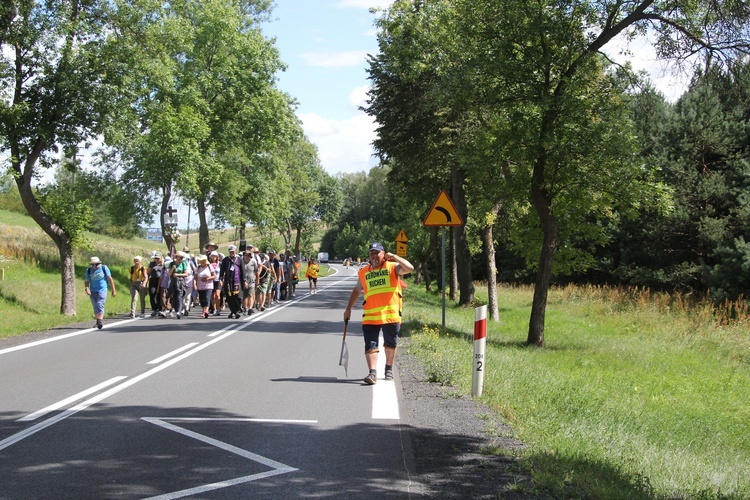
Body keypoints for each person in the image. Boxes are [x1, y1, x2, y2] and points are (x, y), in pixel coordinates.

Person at [344, 242, 414, 385]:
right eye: (372, 253)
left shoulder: (392, 268)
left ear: (384, 254)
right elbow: (357, 290)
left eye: (377, 253)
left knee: (390, 343)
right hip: (370, 315)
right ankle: (372, 373)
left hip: (390, 315)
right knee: (370, 345)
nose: (374, 256)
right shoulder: (364, 272)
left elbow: (410, 268)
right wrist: (348, 308)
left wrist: (394, 256)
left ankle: (388, 369)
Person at [84, 256, 116, 330]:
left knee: (99, 304)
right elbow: (87, 281)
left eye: (97, 264)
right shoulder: (89, 270)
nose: (95, 266)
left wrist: (113, 290)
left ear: (99, 263)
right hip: (93, 290)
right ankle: (98, 321)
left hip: (102, 290)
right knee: (95, 305)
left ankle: (99, 320)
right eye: (93, 264)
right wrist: (87, 288)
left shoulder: (104, 268)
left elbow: (110, 279)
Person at [219, 244, 245, 318]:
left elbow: (243, 271)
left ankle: (236, 310)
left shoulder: (239, 259)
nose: (232, 253)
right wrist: (221, 279)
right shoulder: (225, 260)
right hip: (228, 282)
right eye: (230, 252)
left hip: (237, 281)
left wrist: (244, 280)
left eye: (233, 251)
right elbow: (222, 271)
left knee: (238, 297)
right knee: (229, 297)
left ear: (235, 251)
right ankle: (233, 311)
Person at [194, 254, 216, 319]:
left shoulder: (209, 267)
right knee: (202, 299)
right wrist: (194, 284)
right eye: (201, 260)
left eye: (204, 260)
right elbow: (195, 278)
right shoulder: (198, 268)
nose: (202, 261)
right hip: (200, 286)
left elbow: (214, 276)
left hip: (208, 286)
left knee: (207, 298)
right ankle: (203, 310)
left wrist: (207, 278)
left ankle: (206, 311)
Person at [168, 251, 189, 319]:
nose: (180, 258)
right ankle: (172, 309)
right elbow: (169, 274)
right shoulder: (172, 264)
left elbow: (186, 274)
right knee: (173, 296)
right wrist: (173, 269)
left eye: (181, 257)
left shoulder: (183, 264)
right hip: (173, 281)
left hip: (180, 281)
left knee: (179, 296)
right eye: (180, 257)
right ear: (176, 257)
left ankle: (178, 312)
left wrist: (178, 274)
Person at [242, 249, 259, 315]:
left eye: (248, 255)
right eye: (245, 255)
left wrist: (257, 282)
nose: (247, 257)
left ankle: (250, 308)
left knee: (251, 295)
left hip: (251, 281)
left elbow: (256, 272)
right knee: (245, 296)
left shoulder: (253, 263)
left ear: (250, 256)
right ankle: (245, 308)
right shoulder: (241, 262)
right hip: (243, 281)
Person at [148, 252, 164, 316]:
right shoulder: (152, 264)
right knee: (152, 293)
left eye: (158, 258)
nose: (157, 259)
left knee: (160, 294)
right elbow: (148, 272)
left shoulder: (164, 264)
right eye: (156, 258)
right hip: (153, 279)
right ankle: (155, 309)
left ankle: (160, 309)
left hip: (161, 280)